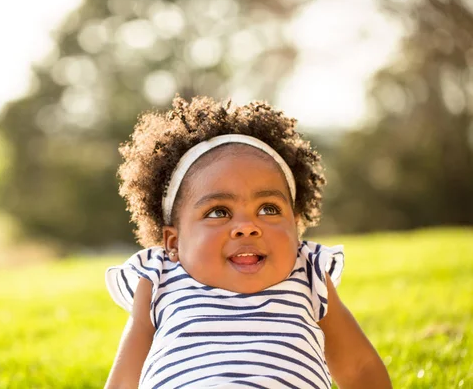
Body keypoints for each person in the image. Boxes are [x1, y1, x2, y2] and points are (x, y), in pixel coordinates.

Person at [104, 96, 391, 389]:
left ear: (295, 226)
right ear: (173, 243)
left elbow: (358, 367)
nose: (247, 228)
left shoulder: (309, 273)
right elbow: (126, 375)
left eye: (269, 209)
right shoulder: (159, 278)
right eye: (219, 212)